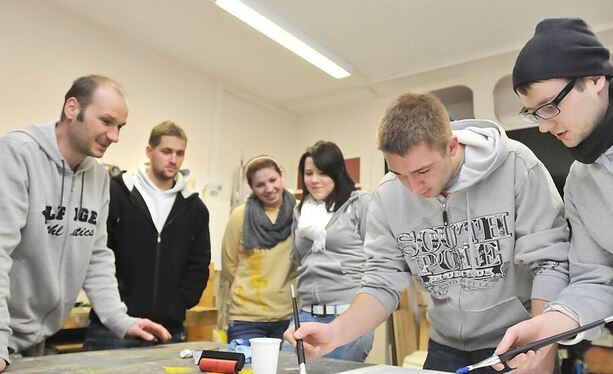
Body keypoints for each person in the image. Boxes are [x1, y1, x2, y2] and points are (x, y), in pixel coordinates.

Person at [284, 94, 570, 372]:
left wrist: (542, 352)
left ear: (452, 146)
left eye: (422, 171)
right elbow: (382, 283)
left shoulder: (516, 166)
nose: (414, 188)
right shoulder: (388, 196)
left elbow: (550, 264)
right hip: (446, 345)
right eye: (399, 174)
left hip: (518, 340)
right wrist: (335, 333)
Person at [493, 18, 613, 373]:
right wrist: (553, 322)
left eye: (549, 106)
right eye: (533, 114)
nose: (543, 125)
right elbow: (596, 277)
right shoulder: (580, 182)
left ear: (594, 78)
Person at [0, 75, 170, 370]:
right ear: (71, 108)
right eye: (106, 121)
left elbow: (96, 255)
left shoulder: (98, 177)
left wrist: (119, 319)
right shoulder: (17, 154)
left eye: (120, 127)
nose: (114, 136)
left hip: (34, 341)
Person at [83, 120, 211, 351]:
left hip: (168, 329)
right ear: (149, 151)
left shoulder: (195, 208)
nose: (173, 159)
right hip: (112, 328)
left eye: (179, 153)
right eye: (166, 151)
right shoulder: (117, 192)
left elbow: (199, 264)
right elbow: (98, 251)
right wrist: (116, 302)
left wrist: (179, 302)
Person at [288, 141, 373, 363]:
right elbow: (299, 260)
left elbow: (379, 257)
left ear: (338, 173)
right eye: (308, 173)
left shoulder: (359, 203)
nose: (314, 180)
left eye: (322, 173)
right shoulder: (299, 212)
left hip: (346, 315)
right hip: (305, 314)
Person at [221, 156, 297, 342]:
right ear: (252, 188)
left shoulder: (299, 213)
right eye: (260, 185)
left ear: (282, 176)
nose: (269, 189)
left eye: (273, 180)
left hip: (287, 317)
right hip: (246, 318)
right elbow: (229, 264)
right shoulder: (240, 215)